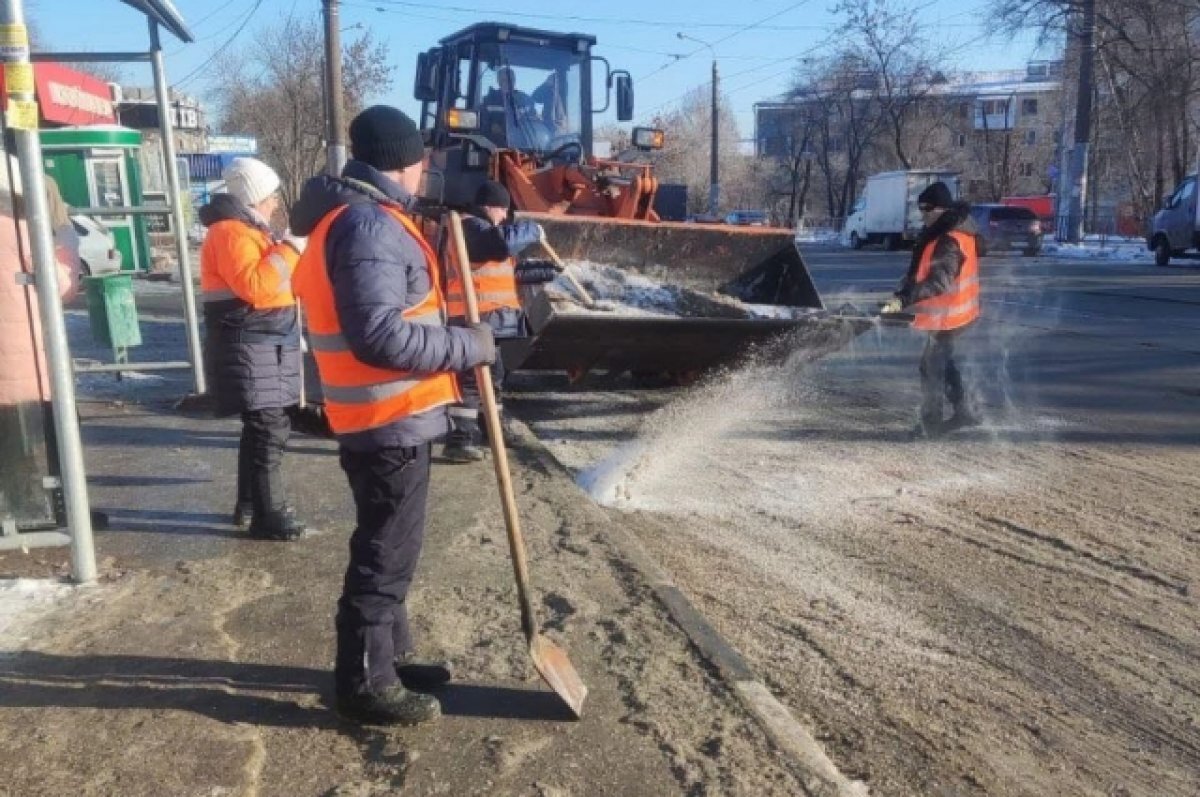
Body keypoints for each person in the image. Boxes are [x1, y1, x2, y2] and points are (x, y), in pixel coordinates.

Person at [289, 105, 495, 726]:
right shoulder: (367, 226)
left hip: (387, 418)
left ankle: (392, 656)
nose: (428, 169)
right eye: (423, 160)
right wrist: (470, 346)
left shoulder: (364, 219)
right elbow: (378, 336)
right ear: (406, 163)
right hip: (387, 419)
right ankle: (365, 682)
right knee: (383, 553)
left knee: (392, 546)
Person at [199, 157, 307, 541]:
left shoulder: (249, 231)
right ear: (256, 196)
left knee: (260, 427)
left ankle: (250, 505)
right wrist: (291, 249)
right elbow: (257, 286)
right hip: (248, 343)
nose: (277, 202)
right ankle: (270, 514)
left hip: (259, 342)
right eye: (273, 194)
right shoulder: (231, 233)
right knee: (269, 429)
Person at [0, 156, 78, 528]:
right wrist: (65, 252)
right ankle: (60, 510)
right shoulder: (18, 229)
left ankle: (14, 512)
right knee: (54, 431)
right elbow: (59, 285)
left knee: (10, 441)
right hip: (25, 348)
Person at [441, 180, 542, 462]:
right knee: (473, 379)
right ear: (491, 207)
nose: (503, 218)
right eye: (503, 212)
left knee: (493, 375)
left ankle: (492, 429)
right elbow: (499, 245)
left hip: (488, 317)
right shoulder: (470, 226)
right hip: (472, 316)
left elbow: (499, 270)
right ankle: (460, 439)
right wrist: (531, 229)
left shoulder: (482, 229)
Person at [881, 181, 982, 438]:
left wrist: (903, 302)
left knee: (931, 367)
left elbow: (938, 282)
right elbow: (922, 272)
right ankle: (964, 410)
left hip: (951, 314)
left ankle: (931, 425)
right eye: (920, 209)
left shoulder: (949, 239)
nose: (922, 214)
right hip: (952, 312)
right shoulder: (944, 232)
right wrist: (902, 294)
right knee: (940, 362)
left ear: (942, 209)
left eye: (927, 209)